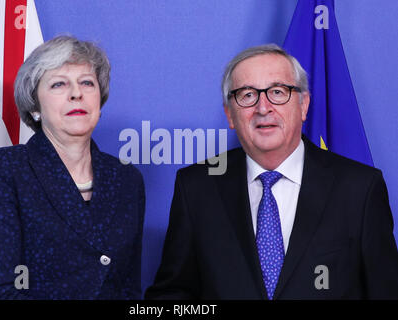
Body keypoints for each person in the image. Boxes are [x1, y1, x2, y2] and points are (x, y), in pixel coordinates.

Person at [145, 44, 398, 299]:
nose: (263, 107)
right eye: (246, 95)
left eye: (278, 92)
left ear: (303, 105)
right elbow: (173, 296)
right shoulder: (196, 187)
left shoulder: (360, 189)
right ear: (229, 114)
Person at [0, 35, 145, 299]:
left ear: (100, 100)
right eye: (59, 84)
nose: (77, 93)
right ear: (35, 106)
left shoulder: (127, 178)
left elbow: (128, 289)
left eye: (87, 82)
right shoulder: (3, 170)